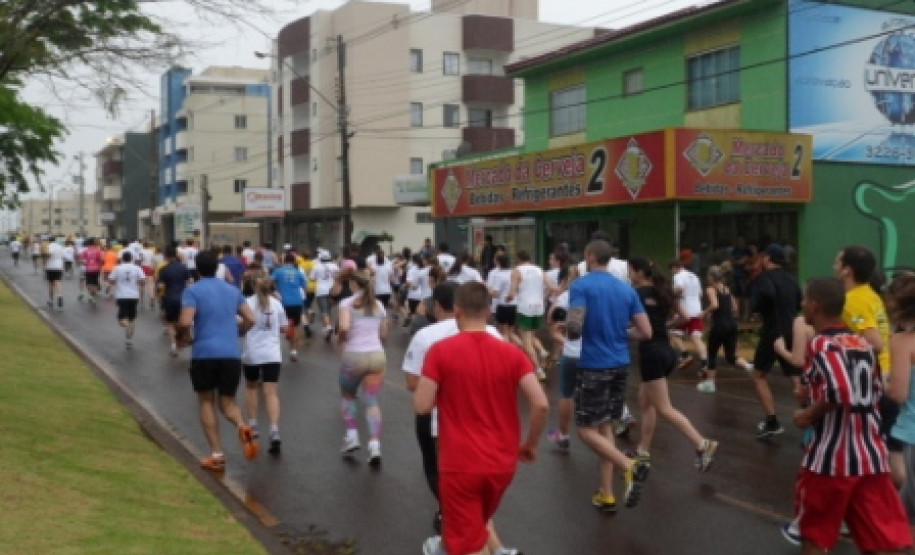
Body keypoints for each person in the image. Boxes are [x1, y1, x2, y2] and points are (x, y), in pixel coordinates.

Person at [415, 282, 548, 555]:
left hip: (459, 463)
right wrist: (531, 444)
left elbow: (422, 406)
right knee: (473, 528)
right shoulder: (513, 353)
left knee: (469, 545)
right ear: (489, 311)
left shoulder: (440, 351)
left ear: (457, 310)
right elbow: (541, 404)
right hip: (502, 463)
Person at [791, 277, 911, 555]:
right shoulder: (860, 343)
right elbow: (871, 391)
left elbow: (839, 390)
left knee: (815, 535)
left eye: (805, 300)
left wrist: (808, 413)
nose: (802, 305)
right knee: (881, 538)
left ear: (815, 306)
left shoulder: (822, 344)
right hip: (870, 456)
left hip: (830, 461)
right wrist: (811, 395)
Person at [567, 240, 652, 511]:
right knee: (605, 427)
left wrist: (565, 327)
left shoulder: (581, 286)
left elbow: (574, 328)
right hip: (620, 363)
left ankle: (628, 466)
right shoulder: (626, 289)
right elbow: (646, 332)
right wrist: (619, 334)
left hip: (594, 364)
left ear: (590, 256)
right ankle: (607, 494)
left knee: (585, 431)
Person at [627, 257, 718, 477]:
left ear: (639, 273)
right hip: (666, 351)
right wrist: (663, 326)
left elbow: (630, 325)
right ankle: (643, 450)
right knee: (645, 401)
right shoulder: (662, 292)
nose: (629, 274)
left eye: (631, 270)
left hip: (651, 353)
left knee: (664, 408)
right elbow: (685, 317)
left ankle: (702, 443)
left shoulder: (636, 295)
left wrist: (626, 333)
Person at [178, 251, 259, 471]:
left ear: (197, 269)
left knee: (206, 401)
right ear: (218, 268)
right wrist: (240, 331)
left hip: (205, 353)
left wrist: (184, 337)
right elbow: (251, 318)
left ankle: (217, 453)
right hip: (230, 353)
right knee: (228, 402)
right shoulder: (232, 290)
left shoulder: (193, 291)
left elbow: (185, 321)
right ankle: (242, 425)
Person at [751, 243, 803, 439]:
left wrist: (759, 308)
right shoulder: (792, 280)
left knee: (758, 375)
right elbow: (799, 302)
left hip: (773, 332)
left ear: (767, 259)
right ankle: (812, 417)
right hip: (792, 331)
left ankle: (772, 421)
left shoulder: (764, 278)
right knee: (795, 376)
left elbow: (764, 295)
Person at [337, 269, 388, 465]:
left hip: (354, 355)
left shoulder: (347, 304)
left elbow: (343, 328)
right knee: (372, 400)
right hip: (376, 355)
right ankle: (374, 445)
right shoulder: (379, 305)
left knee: (348, 395)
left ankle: (352, 436)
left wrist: (341, 341)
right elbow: (383, 334)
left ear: (354, 284)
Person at [242, 276, 287, 455]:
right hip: (272, 353)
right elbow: (283, 328)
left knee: (251, 388)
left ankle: (253, 424)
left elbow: (240, 324)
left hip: (252, 352)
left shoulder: (246, 303)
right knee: (271, 393)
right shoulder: (276, 304)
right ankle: (274, 429)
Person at [887, 272, 915, 541]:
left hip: (912, 432)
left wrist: (879, 384)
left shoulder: (903, 341)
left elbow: (898, 392)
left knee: (910, 515)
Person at [697, 265, 753, 393]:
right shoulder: (727, 289)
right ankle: (749, 366)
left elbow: (715, 305)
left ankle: (710, 384)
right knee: (730, 356)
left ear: (711, 277)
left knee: (711, 354)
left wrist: (705, 313)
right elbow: (734, 308)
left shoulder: (711, 289)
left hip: (719, 325)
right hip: (731, 325)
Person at [546, 266, 580, 452]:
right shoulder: (602, 295)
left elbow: (551, 321)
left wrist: (565, 341)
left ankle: (564, 435)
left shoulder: (566, 297)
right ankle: (606, 438)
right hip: (599, 355)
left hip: (573, 354)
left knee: (567, 394)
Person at [508, 250, 547, 381]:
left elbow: (512, 292)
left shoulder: (517, 271)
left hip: (525, 307)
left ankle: (538, 370)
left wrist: (509, 297)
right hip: (539, 307)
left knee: (526, 342)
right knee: (531, 336)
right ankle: (542, 352)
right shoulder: (539, 270)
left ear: (518, 258)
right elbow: (552, 287)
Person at [669, 259, 708, 371]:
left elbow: (680, 288)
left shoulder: (678, 276)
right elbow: (700, 293)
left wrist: (672, 294)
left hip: (684, 310)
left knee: (673, 333)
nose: (673, 273)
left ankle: (685, 354)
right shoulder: (694, 276)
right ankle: (705, 364)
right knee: (696, 338)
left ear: (675, 268)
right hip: (697, 310)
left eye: (672, 270)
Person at [271, 252, 307, 362]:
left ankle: (276, 348)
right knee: (295, 326)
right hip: (297, 301)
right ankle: (294, 351)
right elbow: (304, 286)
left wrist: (274, 292)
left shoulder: (278, 271)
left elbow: (269, 281)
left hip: (283, 302)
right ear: (294, 261)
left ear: (284, 261)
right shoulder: (298, 272)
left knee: (279, 325)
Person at [156, 244, 191, 356]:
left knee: (170, 323)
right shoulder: (183, 267)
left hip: (169, 298)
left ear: (165, 256)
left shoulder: (164, 269)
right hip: (183, 298)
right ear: (176, 255)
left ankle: (174, 345)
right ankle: (184, 339)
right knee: (183, 321)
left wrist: (159, 295)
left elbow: (160, 287)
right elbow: (190, 281)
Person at [107, 251, 147, 348]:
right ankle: (129, 339)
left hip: (122, 295)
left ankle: (127, 331)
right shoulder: (137, 268)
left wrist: (114, 282)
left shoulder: (117, 268)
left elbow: (111, 280)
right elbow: (143, 280)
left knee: (121, 320)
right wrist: (139, 284)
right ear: (131, 259)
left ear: (122, 259)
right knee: (132, 318)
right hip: (134, 295)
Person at [310, 249, 339, 342]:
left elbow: (312, 278)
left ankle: (328, 327)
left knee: (324, 311)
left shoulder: (316, 266)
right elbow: (339, 277)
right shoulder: (335, 266)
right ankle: (327, 329)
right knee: (329, 310)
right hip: (332, 290)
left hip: (321, 291)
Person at [81, 238, 105, 305]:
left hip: (88, 269)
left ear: (88, 243)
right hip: (97, 269)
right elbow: (102, 260)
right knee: (95, 282)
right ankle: (93, 296)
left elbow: (82, 260)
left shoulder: (86, 250)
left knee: (88, 283)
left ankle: (91, 295)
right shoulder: (98, 250)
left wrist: (85, 263)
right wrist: (101, 264)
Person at [44, 238, 65, 310]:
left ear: (49, 241)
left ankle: (51, 299)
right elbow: (63, 256)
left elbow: (48, 254)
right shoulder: (60, 247)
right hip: (59, 266)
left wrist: (44, 262)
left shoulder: (48, 246)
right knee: (58, 281)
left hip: (50, 266)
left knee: (51, 283)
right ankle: (59, 295)